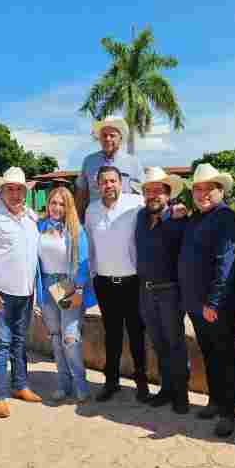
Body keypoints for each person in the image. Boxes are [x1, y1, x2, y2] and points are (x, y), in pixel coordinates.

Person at [178, 163, 235, 437]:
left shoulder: (227, 218)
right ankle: (216, 401)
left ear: (221, 191)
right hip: (196, 304)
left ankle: (229, 412)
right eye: (198, 188)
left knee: (226, 357)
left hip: (215, 306)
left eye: (209, 188)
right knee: (210, 354)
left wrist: (213, 303)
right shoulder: (196, 218)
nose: (203, 193)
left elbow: (225, 265)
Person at [0, 167, 43, 419]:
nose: (15, 194)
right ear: (1, 190)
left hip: (25, 292)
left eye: (19, 189)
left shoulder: (31, 218)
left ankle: (21, 385)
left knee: (19, 341)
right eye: (10, 189)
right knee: (2, 344)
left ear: (25, 192)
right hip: (1, 293)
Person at [85, 165, 150, 402]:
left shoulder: (136, 203)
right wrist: (91, 276)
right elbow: (90, 246)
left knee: (136, 333)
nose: (109, 185)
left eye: (113, 181)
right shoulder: (91, 210)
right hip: (104, 283)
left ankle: (141, 382)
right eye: (104, 182)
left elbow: (157, 211)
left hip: (132, 282)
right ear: (97, 185)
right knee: (111, 334)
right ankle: (111, 382)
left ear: (120, 183)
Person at [135, 167, 190, 414]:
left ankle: (181, 393)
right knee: (158, 343)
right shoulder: (140, 218)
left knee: (175, 344)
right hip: (146, 291)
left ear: (168, 195)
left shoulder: (179, 217)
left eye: (158, 190)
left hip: (170, 292)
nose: (153, 195)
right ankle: (166, 389)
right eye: (148, 190)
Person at [36, 186, 95, 404]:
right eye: (53, 203)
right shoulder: (39, 226)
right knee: (55, 338)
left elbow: (83, 262)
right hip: (46, 283)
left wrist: (78, 289)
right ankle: (63, 384)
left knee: (70, 337)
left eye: (62, 204)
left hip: (66, 284)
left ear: (68, 207)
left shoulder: (75, 230)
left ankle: (80, 383)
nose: (57, 208)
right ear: (48, 204)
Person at [75, 117, 144, 219]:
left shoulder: (133, 163)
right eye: (104, 135)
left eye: (112, 136)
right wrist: (78, 221)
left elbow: (140, 195)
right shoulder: (89, 161)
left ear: (120, 138)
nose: (108, 139)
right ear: (99, 138)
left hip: (126, 219)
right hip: (95, 219)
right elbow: (82, 195)